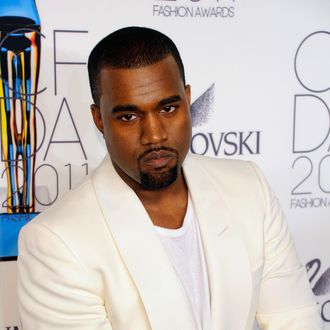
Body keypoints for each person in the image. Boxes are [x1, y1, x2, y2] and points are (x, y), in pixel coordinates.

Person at [17, 26, 322, 330]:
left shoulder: (248, 188)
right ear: (99, 119)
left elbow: (295, 319)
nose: (155, 135)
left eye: (168, 108)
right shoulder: (55, 242)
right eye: (128, 116)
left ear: (187, 99)